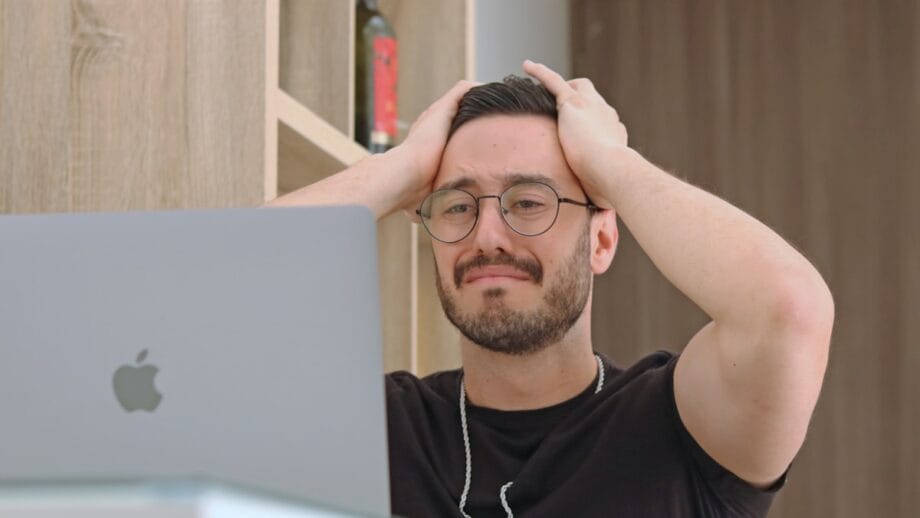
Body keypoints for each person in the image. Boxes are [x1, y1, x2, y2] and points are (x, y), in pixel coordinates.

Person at [267, 60, 834, 517]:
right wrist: (406, 167)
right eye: (459, 206)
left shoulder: (682, 430)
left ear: (602, 241)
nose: (487, 236)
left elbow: (788, 307)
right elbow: (193, 312)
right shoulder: (382, 433)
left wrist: (612, 162)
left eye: (530, 203)